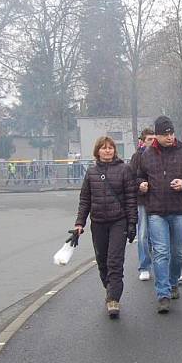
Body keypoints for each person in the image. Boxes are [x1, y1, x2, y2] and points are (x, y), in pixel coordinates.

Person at [136, 116, 182, 313]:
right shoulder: (147, 155)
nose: (169, 137)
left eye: (171, 133)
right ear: (156, 135)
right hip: (156, 210)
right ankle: (163, 293)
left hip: (179, 209)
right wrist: (141, 185)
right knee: (161, 252)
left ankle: (173, 281)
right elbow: (138, 176)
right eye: (165, 134)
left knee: (178, 252)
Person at [74, 136, 138, 318]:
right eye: (104, 148)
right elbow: (85, 200)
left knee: (114, 261)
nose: (108, 150)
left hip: (119, 221)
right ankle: (109, 288)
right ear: (98, 151)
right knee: (102, 261)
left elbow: (131, 199)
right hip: (98, 223)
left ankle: (113, 299)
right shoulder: (91, 173)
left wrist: (132, 223)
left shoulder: (124, 170)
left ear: (114, 151)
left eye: (111, 148)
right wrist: (80, 223)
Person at [129, 128, 155, 281]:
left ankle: (168, 269)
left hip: (159, 200)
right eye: (149, 139)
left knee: (160, 235)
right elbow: (131, 179)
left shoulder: (161, 154)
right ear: (142, 141)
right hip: (143, 201)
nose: (152, 142)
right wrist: (139, 186)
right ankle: (144, 266)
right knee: (143, 233)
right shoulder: (137, 157)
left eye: (154, 139)